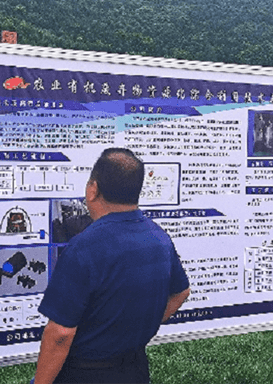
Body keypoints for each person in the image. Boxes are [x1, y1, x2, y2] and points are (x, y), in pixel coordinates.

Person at [33, 148, 190, 384]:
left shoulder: (83, 247)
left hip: (85, 374)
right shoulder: (159, 238)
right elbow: (181, 292)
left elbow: (61, 334)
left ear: (93, 189)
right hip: (135, 369)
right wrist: (135, 329)